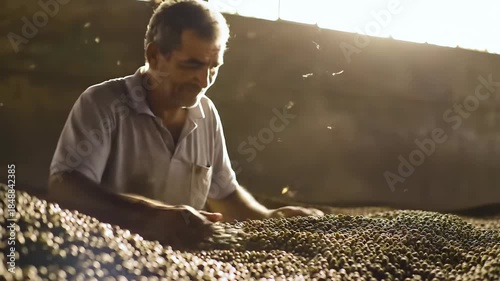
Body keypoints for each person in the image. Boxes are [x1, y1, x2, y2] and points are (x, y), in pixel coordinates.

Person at [48, 0, 323, 248]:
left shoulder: (206, 114)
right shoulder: (104, 103)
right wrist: (150, 216)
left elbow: (225, 195)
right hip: (104, 256)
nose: (204, 81)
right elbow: (66, 186)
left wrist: (269, 218)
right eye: (191, 65)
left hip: (180, 263)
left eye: (213, 67)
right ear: (154, 56)